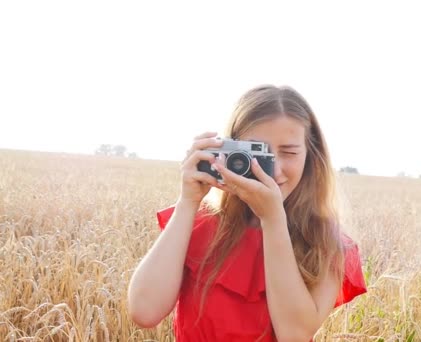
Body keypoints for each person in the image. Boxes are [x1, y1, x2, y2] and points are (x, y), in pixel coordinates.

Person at [127, 84, 367, 341]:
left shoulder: (326, 244)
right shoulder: (199, 222)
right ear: (229, 151)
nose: (272, 172)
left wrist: (273, 220)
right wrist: (188, 201)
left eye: (288, 152)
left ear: (311, 156)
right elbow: (144, 311)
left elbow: (294, 336)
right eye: (256, 154)